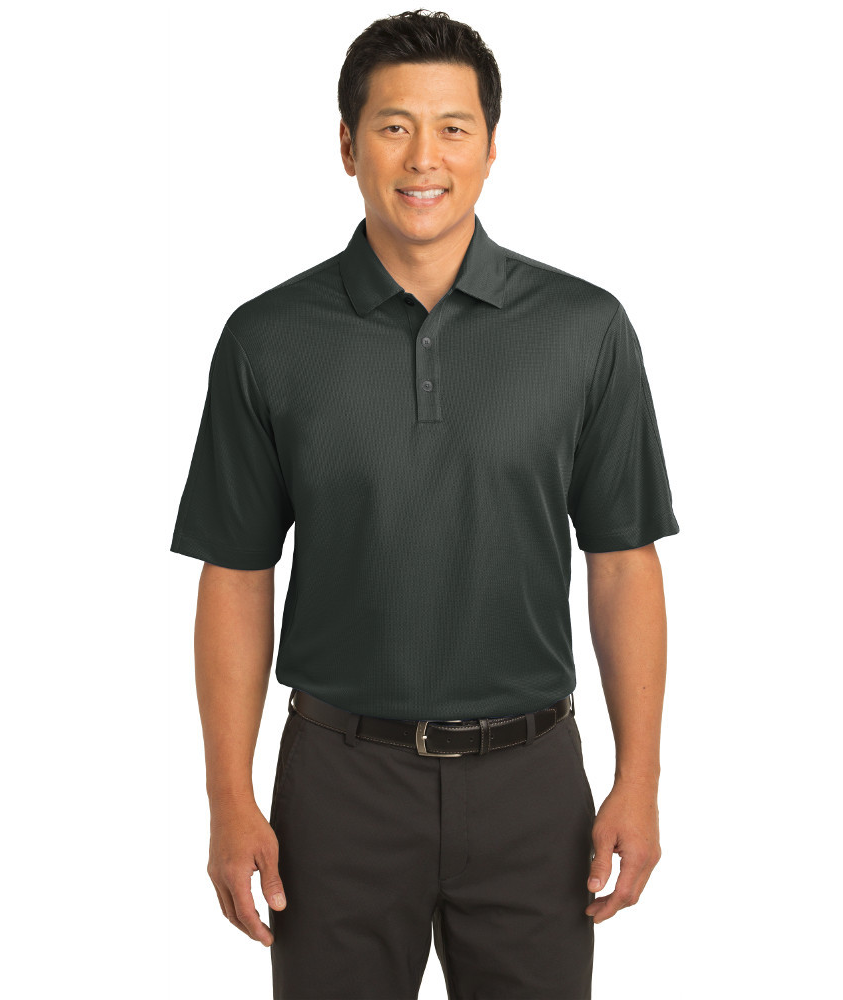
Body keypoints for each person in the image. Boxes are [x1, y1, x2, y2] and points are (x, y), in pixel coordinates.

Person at [170, 9, 679, 998]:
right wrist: (229, 797)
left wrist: (640, 779)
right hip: (338, 784)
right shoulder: (267, 338)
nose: (423, 158)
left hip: (533, 782)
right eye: (393, 126)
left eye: (453, 128)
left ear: (491, 146)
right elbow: (235, 571)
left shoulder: (585, 330)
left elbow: (623, 560)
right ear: (347, 144)